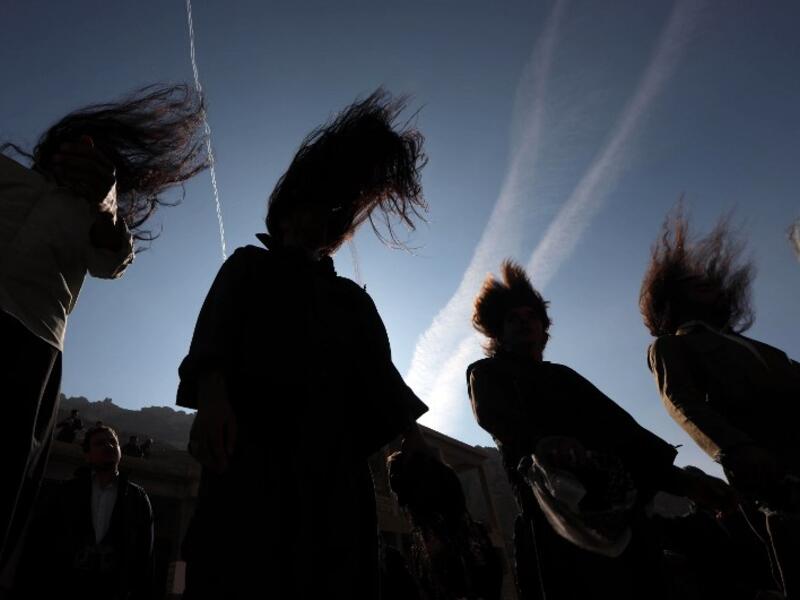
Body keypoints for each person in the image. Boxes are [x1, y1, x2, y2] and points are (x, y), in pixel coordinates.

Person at [177, 88, 430, 599]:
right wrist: (213, 396)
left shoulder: (352, 300)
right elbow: (214, 336)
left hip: (334, 468)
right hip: (253, 448)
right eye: (311, 210)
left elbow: (382, 378)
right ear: (287, 217)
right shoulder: (248, 266)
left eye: (331, 215)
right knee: (243, 568)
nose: (323, 221)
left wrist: (416, 444)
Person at [0, 83, 207, 572]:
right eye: (74, 147)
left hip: (29, 346)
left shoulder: (94, 220)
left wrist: (106, 203)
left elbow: (113, 258)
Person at [466, 259, 733, 600]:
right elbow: (495, 416)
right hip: (554, 516)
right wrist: (543, 442)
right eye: (512, 319)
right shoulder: (487, 372)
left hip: (617, 510)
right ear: (498, 333)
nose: (523, 323)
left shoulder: (564, 376)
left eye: (530, 316)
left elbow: (623, 432)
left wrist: (683, 480)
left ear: (544, 329)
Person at [640, 208, 800, 598]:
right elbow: (680, 399)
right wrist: (736, 449)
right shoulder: (672, 345)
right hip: (770, 472)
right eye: (691, 282)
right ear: (672, 296)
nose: (704, 281)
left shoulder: (764, 348)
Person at [15, 425, 154, 600]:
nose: (109, 446)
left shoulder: (138, 498)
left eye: (113, 442)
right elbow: (40, 544)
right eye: (100, 443)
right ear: (87, 455)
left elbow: (144, 554)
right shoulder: (65, 493)